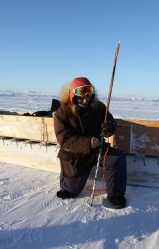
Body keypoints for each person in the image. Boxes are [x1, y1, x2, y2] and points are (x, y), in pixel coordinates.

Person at [54, 77, 127, 209]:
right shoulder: (62, 112)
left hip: (96, 150)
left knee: (117, 157)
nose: (86, 96)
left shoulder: (99, 107)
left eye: (89, 90)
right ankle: (67, 183)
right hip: (74, 155)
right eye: (82, 92)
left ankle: (116, 194)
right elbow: (64, 140)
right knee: (71, 191)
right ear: (73, 93)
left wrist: (109, 127)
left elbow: (110, 122)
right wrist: (88, 142)